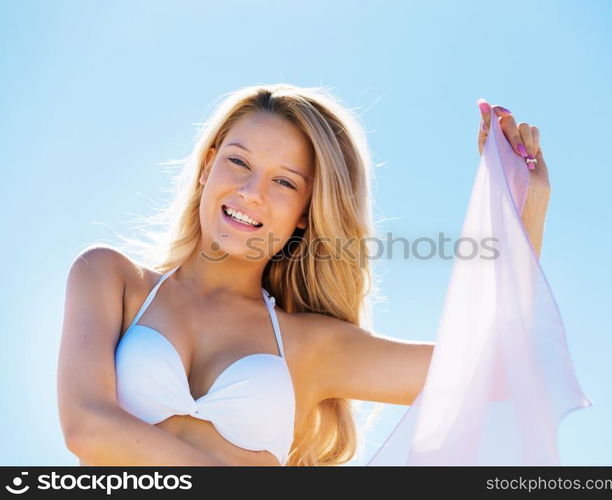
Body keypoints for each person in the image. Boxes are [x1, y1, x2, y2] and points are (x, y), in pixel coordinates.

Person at [57, 84, 549, 466]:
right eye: (238, 161)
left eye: (284, 182)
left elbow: (495, 371)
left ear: (304, 213)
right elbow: (86, 426)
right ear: (207, 167)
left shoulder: (310, 345)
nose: (251, 191)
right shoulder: (111, 280)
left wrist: (525, 206)